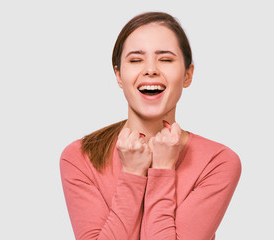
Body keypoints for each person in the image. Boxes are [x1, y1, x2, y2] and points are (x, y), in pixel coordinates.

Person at [60, 11, 241, 240]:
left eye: (165, 59)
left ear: (188, 75)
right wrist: (133, 175)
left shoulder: (218, 162)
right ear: (118, 75)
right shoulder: (80, 156)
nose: (151, 69)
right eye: (136, 60)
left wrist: (163, 170)